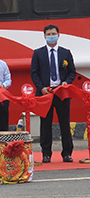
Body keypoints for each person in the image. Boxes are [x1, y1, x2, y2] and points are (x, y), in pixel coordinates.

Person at [31, 24, 76, 163]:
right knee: (45, 124)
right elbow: (34, 73)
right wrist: (41, 88)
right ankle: (46, 154)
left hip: (61, 93)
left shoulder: (65, 52)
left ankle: (67, 153)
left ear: (58, 35)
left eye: (53, 34)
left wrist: (66, 83)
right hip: (46, 94)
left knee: (64, 123)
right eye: (49, 34)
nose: (51, 36)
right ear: (44, 36)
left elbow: (72, 71)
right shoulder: (38, 53)